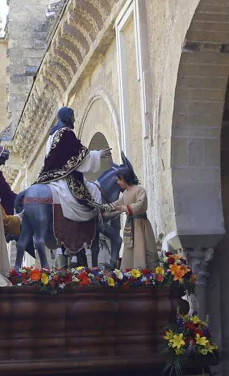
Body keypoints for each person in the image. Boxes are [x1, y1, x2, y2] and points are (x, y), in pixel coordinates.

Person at [33, 107, 113, 257]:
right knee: (93, 191)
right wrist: (98, 154)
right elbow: (78, 155)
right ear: (68, 117)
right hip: (64, 177)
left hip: (48, 176)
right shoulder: (67, 133)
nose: (75, 119)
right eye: (73, 116)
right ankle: (95, 225)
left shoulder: (52, 135)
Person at [109, 166, 158, 271]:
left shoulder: (139, 190)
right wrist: (104, 210)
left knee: (141, 248)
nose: (117, 182)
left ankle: (143, 273)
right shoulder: (125, 193)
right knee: (130, 250)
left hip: (140, 225)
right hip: (130, 226)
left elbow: (140, 205)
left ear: (124, 178)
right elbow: (116, 205)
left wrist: (122, 208)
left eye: (118, 179)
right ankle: (130, 273)